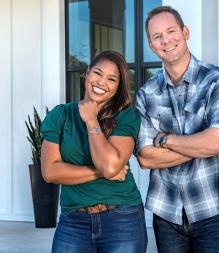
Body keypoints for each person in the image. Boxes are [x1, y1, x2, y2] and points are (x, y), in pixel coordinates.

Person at [135, 6, 219, 253]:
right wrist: (202, 144)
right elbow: (145, 157)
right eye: (157, 36)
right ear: (151, 45)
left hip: (214, 210)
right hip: (167, 214)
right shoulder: (146, 93)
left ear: (185, 32)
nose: (166, 40)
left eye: (171, 31)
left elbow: (218, 142)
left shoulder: (216, 81)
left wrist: (165, 139)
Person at [41, 50, 147, 253]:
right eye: (97, 73)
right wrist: (100, 172)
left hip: (122, 218)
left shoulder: (126, 117)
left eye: (112, 79)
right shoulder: (60, 115)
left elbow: (109, 165)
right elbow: (50, 172)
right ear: (87, 73)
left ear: (118, 88)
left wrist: (91, 119)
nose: (101, 82)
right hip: (74, 221)